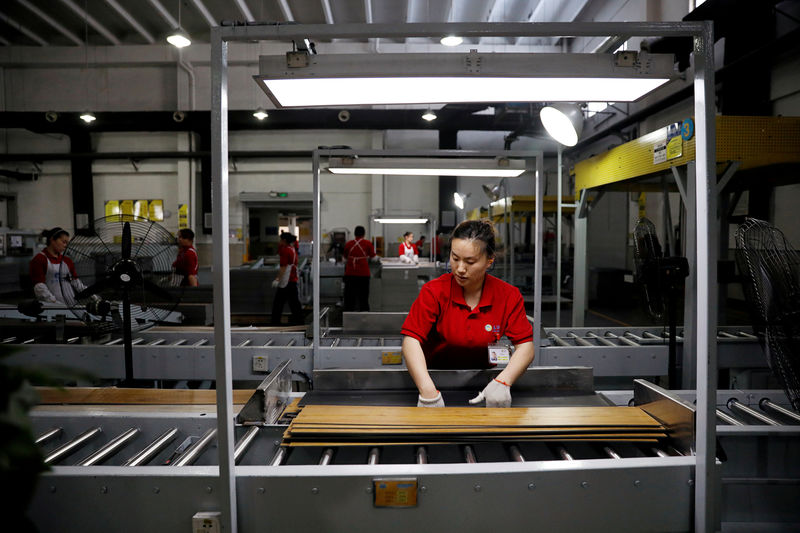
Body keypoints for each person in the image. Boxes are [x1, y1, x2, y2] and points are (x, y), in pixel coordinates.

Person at [401, 219, 534, 408]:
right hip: (433, 382)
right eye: (455, 258)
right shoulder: (435, 291)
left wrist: (504, 381)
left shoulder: (507, 295)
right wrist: (428, 391)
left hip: (487, 387)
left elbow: (525, 347)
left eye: (470, 261)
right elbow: (411, 340)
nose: (460, 268)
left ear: (489, 260)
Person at [29, 227, 85, 305]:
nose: (65, 245)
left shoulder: (67, 261)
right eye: (63, 242)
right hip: (50, 307)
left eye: (67, 243)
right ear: (52, 240)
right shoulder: (39, 260)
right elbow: (39, 287)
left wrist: (91, 294)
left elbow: (76, 282)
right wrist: (55, 303)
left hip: (71, 304)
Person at [342, 225, 378, 312]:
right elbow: (374, 258)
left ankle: (349, 318)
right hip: (363, 275)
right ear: (364, 234)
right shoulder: (368, 243)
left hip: (350, 274)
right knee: (363, 298)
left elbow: (344, 260)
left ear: (355, 233)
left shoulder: (349, 244)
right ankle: (364, 318)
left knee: (350, 298)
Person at [271, 232, 303, 326]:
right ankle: (299, 321)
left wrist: (277, 279)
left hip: (287, 281)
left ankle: (275, 323)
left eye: (280, 240)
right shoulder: (292, 249)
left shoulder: (285, 250)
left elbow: (283, 267)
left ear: (284, 240)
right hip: (292, 280)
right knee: (294, 303)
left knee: (278, 304)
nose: (279, 241)